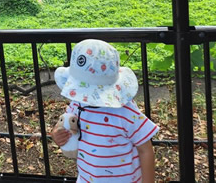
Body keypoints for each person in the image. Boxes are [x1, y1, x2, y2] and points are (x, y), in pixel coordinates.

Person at [51, 39, 158, 183]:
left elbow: (145, 150)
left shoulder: (125, 112)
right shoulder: (77, 104)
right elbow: (63, 126)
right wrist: (57, 135)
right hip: (86, 178)